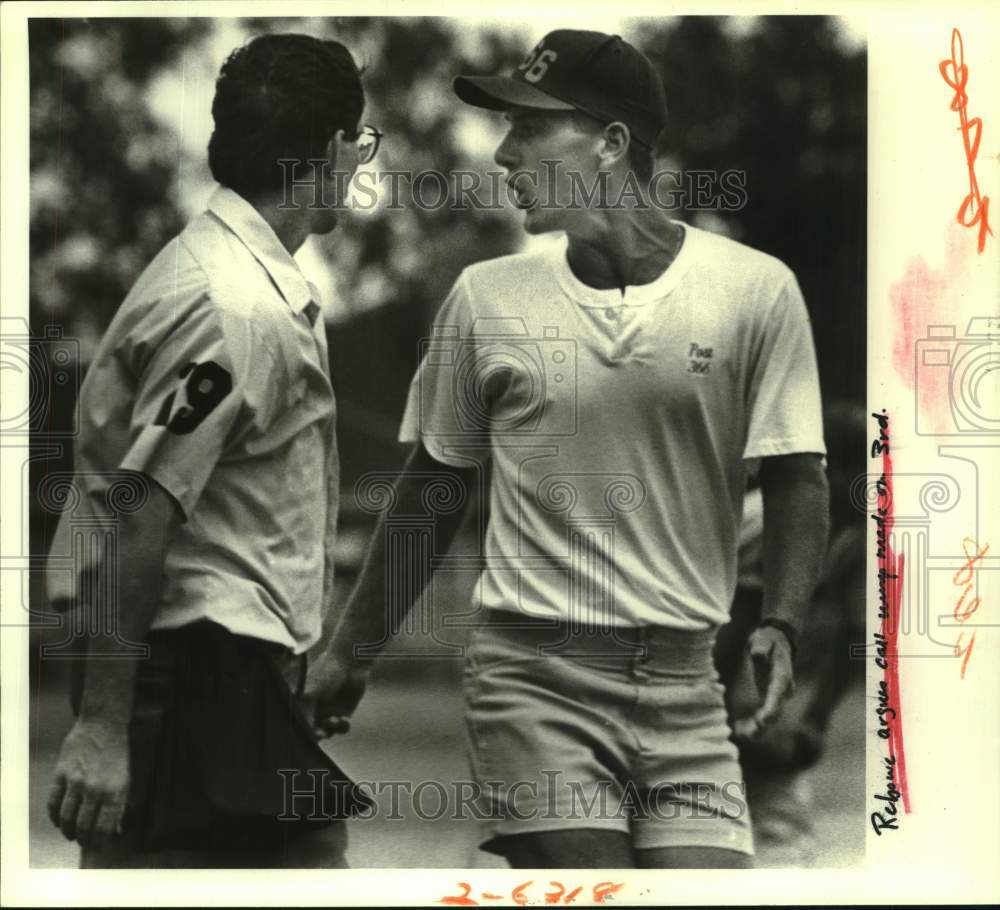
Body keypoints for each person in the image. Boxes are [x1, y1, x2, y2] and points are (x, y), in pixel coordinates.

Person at [306, 29, 829, 869]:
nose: (505, 154)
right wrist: (350, 650)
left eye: (531, 129)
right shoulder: (487, 299)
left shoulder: (755, 292)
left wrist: (783, 622)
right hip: (532, 678)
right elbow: (434, 488)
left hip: (687, 687)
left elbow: (800, 473)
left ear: (612, 143)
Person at [44, 33, 379, 868]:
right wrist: (100, 729)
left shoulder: (229, 273)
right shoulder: (235, 310)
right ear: (335, 149)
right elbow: (141, 511)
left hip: (218, 670)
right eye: (363, 145)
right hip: (194, 671)